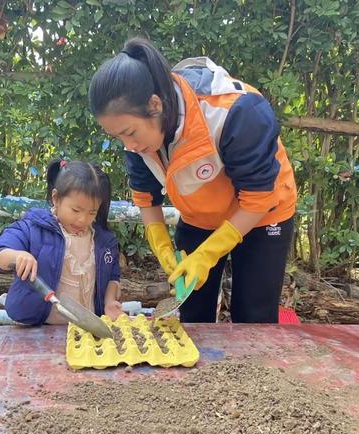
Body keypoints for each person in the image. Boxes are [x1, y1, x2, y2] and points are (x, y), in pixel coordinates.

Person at [89, 37, 297, 323]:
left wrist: (207, 254)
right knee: (191, 314)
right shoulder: (137, 142)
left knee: (253, 318)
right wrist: (162, 246)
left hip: (262, 216)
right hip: (200, 214)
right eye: (119, 137)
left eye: (130, 132)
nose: (129, 145)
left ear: (155, 105)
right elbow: (146, 198)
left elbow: (259, 198)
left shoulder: (237, 113)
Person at [0, 159, 123, 325]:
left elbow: (112, 276)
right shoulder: (35, 228)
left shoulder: (103, 241)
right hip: (40, 329)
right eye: (76, 210)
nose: (82, 219)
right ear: (56, 198)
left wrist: (109, 302)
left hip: (86, 331)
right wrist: (18, 256)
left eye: (92, 212)